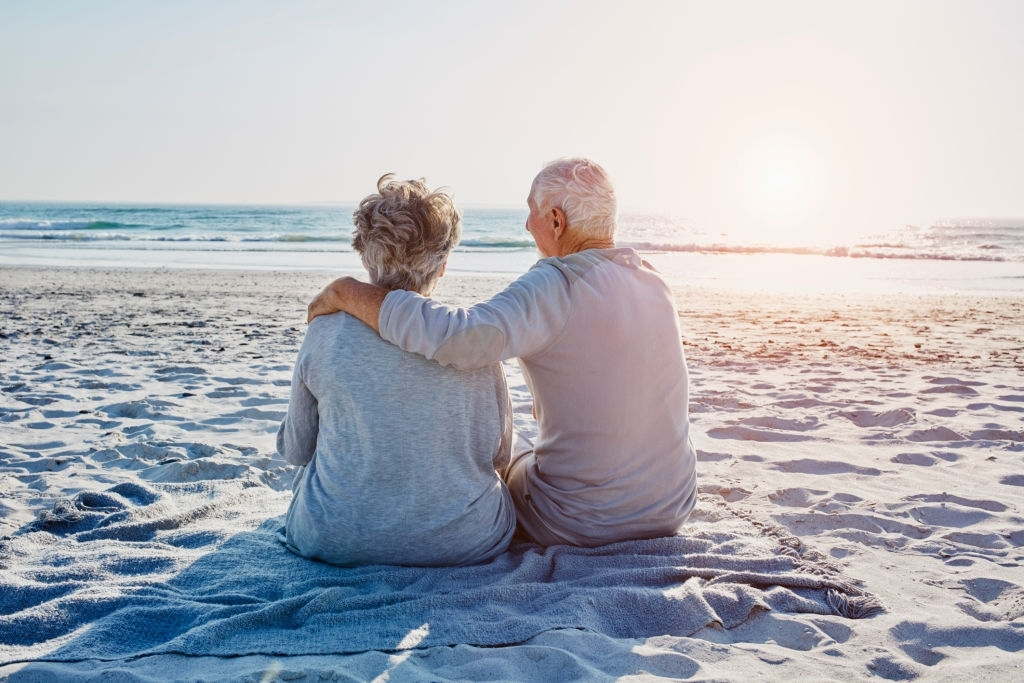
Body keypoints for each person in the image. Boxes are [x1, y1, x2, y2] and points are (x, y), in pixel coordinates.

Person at [307, 158, 697, 548]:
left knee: (509, 463)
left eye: (532, 213)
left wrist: (347, 291)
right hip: (671, 508)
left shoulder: (555, 284)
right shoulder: (654, 282)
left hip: (583, 522)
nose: (528, 226)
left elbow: (460, 339)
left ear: (557, 221)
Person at [278, 174, 515, 566]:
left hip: (333, 539)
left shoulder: (325, 330)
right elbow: (498, 454)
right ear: (442, 266)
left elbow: (297, 449)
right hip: (465, 543)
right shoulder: (470, 337)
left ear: (364, 256)